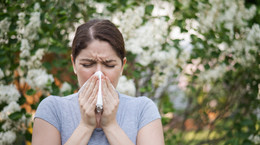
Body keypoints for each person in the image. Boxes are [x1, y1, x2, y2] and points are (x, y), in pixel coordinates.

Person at [32, 19, 164, 145]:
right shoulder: (53, 109)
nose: (98, 75)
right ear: (74, 64)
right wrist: (85, 126)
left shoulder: (143, 110)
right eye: (87, 64)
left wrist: (111, 125)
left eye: (110, 65)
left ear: (122, 66)